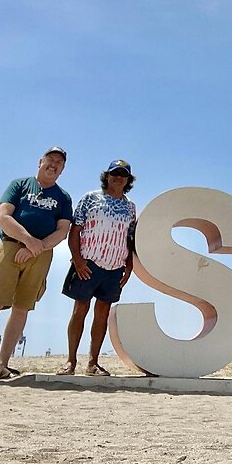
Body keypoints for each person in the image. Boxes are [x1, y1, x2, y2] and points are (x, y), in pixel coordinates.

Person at [0, 147, 73, 381]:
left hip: (41, 255)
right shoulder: (20, 185)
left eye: (59, 163)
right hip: (11, 248)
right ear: (40, 161)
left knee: (21, 309)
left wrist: (35, 248)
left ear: (62, 170)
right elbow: (3, 217)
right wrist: (27, 241)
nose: (53, 165)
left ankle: (2, 365)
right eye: (50, 160)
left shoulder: (63, 198)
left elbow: (63, 230)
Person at [58, 159, 138, 376]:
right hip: (88, 263)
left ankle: (92, 363)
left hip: (114, 266)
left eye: (123, 174)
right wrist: (78, 260)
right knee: (80, 309)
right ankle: (70, 362)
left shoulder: (130, 207)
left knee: (102, 313)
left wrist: (129, 265)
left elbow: (130, 238)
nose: (118, 177)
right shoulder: (90, 198)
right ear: (107, 176)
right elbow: (75, 231)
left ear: (128, 180)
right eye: (114, 173)